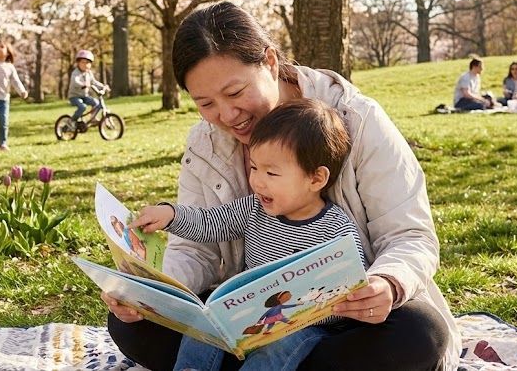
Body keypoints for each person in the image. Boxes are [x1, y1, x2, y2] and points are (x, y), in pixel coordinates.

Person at [102, 1, 459, 371]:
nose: (226, 115)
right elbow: (198, 248)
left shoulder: (357, 119)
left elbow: (410, 235)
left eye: (236, 92)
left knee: (420, 334)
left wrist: (386, 283)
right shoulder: (206, 143)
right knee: (133, 325)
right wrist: (150, 293)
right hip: (248, 319)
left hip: (344, 320)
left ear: (270, 63)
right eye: (205, 103)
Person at [131, 98, 366, 371]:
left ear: (315, 179)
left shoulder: (337, 229)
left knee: (280, 346)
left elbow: (350, 290)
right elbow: (211, 222)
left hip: (303, 327)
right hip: (246, 317)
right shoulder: (254, 208)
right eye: (254, 168)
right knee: (205, 323)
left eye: (271, 172)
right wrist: (171, 215)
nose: (257, 181)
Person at [67, 50, 108, 128]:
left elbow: (94, 82)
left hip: (84, 96)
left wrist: (103, 86)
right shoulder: (75, 73)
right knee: (82, 107)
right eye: (83, 62)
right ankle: (71, 121)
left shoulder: (89, 73)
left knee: (96, 103)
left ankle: (93, 118)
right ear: (78, 63)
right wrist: (83, 84)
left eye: (87, 63)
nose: (85, 65)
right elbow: (75, 81)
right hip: (74, 97)